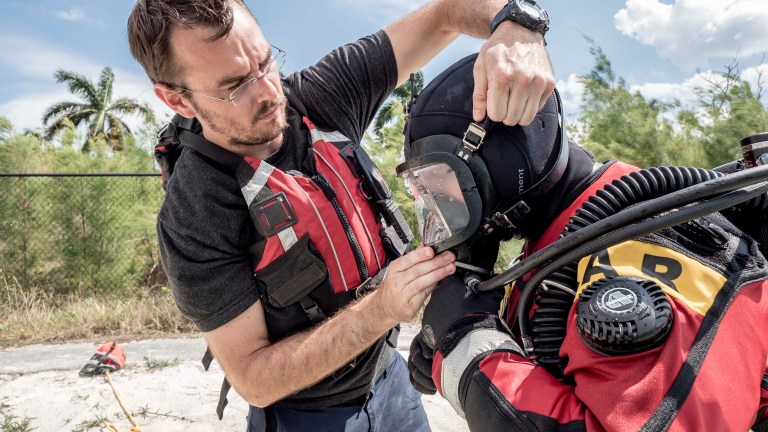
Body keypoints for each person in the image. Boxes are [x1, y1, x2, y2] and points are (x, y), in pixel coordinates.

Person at [126, 0, 556, 430]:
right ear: (176, 99)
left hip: (391, 381)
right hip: (307, 415)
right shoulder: (196, 212)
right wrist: (381, 309)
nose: (269, 92)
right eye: (235, 85)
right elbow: (253, 379)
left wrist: (519, 26)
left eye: (265, 61)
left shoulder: (317, 98)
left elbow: (447, 12)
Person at [404, 53, 768, 431]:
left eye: (438, 178)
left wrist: (466, 342)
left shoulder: (645, 236)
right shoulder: (562, 239)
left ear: (500, 157)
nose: (437, 204)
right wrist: (462, 335)